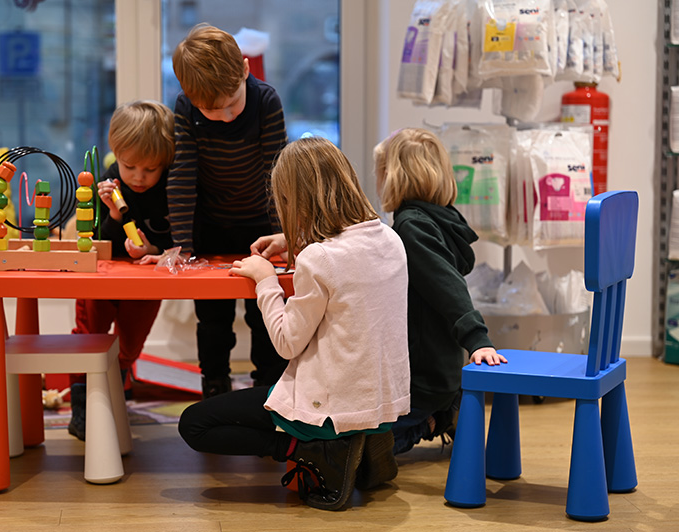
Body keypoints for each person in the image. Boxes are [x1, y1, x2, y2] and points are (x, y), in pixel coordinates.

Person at [178, 137, 411, 511]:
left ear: (296, 202)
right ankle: (362, 440)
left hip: (329, 406)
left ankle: (310, 448)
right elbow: (346, 262)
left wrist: (265, 280)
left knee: (194, 424)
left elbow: (287, 343)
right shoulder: (390, 239)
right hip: (379, 400)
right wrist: (295, 243)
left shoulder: (319, 259)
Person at [168, 23, 289, 398]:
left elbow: (276, 174)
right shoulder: (185, 108)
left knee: (263, 310)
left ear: (245, 69)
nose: (224, 116)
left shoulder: (266, 101)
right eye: (211, 110)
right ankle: (215, 383)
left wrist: (285, 235)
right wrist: (182, 246)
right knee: (212, 317)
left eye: (232, 104)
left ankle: (268, 387)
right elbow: (183, 174)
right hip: (211, 227)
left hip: (260, 226)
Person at [372, 127, 507, 455]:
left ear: (390, 176)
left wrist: (477, 339)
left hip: (423, 381)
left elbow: (448, 287)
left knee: (359, 450)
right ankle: (444, 410)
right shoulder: (441, 220)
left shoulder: (411, 227)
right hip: (440, 371)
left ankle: (434, 421)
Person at [68, 100, 175, 441]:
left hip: (143, 282)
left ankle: (116, 388)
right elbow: (93, 239)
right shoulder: (106, 184)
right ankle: (82, 408)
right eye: (130, 167)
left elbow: (175, 239)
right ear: (116, 154)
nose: (139, 177)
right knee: (89, 337)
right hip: (101, 277)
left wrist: (152, 250)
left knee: (130, 345)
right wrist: (114, 216)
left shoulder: (171, 188)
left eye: (150, 169)